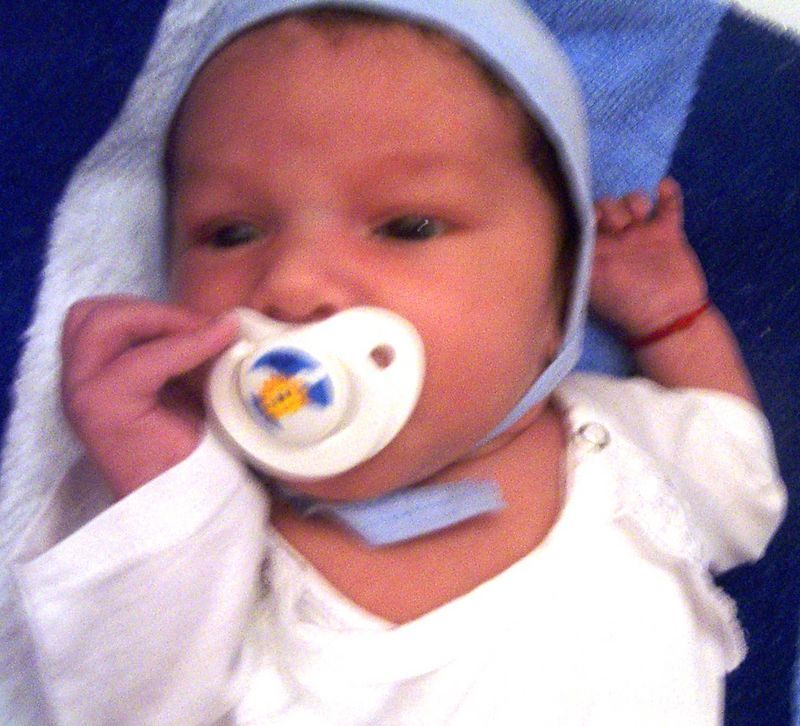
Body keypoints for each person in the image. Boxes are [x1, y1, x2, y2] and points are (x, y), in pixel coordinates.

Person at [8, 1, 785, 723]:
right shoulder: (212, 539)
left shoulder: (622, 450)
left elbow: (742, 486)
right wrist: (157, 488)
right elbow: (136, 707)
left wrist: (670, 320)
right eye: (231, 234)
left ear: (558, 299)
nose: (293, 282)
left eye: (408, 226)